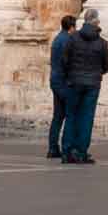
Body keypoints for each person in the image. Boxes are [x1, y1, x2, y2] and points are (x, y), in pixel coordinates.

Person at [60, 6, 108, 164]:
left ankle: (67, 151)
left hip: (74, 81)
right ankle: (81, 151)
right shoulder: (102, 43)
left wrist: (70, 74)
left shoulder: (73, 38)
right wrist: (97, 73)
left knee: (71, 116)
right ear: (96, 22)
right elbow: (107, 65)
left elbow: (65, 59)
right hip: (92, 83)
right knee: (86, 118)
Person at [47, 14, 77, 159]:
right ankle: (67, 148)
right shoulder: (67, 40)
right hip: (64, 82)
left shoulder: (57, 38)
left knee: (58, 116)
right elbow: (67, 62)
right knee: (71, 115)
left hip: (55, 80)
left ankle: (53, 147)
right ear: (72, 27)